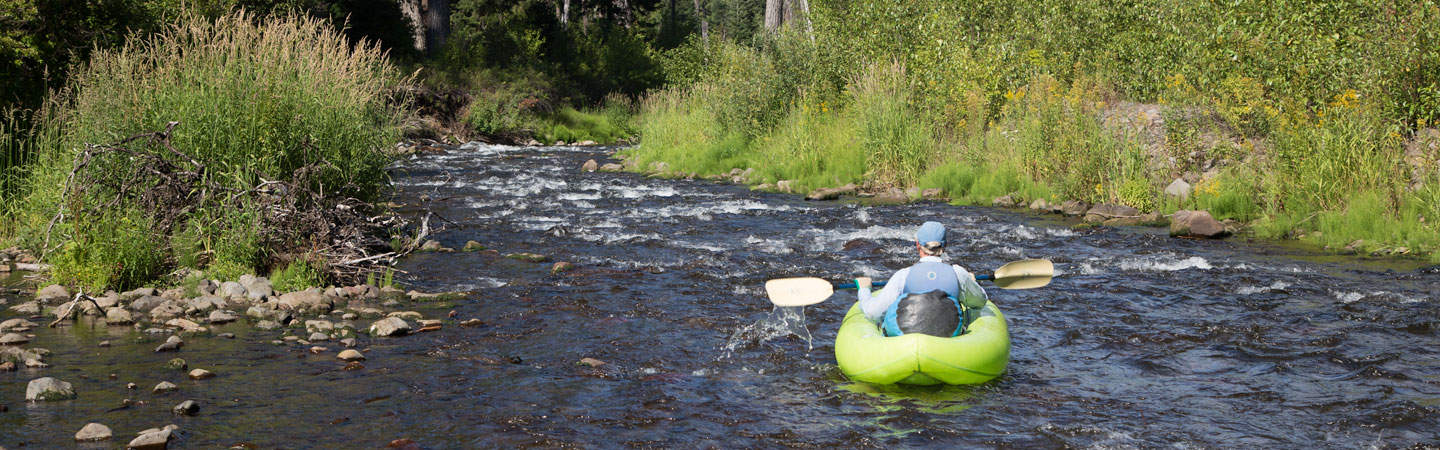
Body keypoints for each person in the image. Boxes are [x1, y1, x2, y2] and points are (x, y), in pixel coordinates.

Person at [855, 221, 988, 337]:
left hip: (906, 338)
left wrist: (864, 289)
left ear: (918, 245)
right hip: (948, 339)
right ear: (945, 246)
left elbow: (873, 313)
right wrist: (972, 282)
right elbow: (979, 302)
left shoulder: (903, 275)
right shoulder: (959, 273)